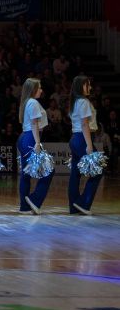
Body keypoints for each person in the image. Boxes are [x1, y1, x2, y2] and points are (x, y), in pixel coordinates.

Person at [17, 78, 54, 215]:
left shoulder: (28, 102)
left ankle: (24, 207)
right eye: (39, 88)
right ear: (33, 89)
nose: (41, 90)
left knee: (26, 175)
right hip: (31, 138)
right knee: (49, 171)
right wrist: (37, 143)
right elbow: (34, 124)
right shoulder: (32, 102)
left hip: (25, 137)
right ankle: (34, 200)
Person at [68, 76, 102, 215]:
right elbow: (84, 124)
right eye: (87, 85)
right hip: (82, 139)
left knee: (75, 174)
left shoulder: (75, 101)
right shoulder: (84, 101)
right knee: (98, 170)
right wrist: (89, 145)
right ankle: (83, 203)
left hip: (75, 138)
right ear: (81, 86)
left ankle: (74, 207)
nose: (90, 87)